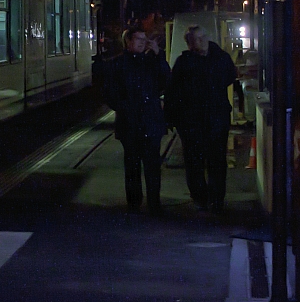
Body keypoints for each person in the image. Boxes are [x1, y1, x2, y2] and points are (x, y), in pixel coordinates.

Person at [165, 25, 238, 213]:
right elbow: (173, 92)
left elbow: (230, 75)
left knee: (217, 160)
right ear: (190, 43)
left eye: (203, 36)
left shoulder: (220, 58)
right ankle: (200, 197)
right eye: (197, 39)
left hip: (215, 118)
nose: (202, 41)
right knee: (194, 161)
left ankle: (216, 198)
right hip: (192, 121)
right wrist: (173, 118)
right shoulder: (184, 62)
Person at [102, 26, 171, 213]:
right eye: (138, 39)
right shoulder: (117, 64)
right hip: (130, 122)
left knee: (152, 164)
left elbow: (166, 82)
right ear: (128, 42)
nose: (142, 42)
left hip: (150, 121)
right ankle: (134, 201)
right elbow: (110, 93)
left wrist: (159, 56)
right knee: (132, 163)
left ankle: (154, 202)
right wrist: (126, 107)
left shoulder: (152, 61)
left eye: (144, 39)